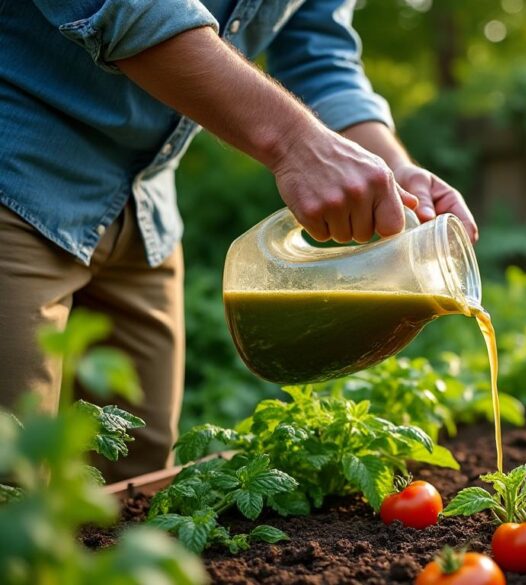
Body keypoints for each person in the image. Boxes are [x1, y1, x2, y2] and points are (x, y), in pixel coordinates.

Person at [0, 1, 478, 482]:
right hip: (18, 174)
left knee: (136, 477)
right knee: (13, 476)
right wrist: (295, 141)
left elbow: (320, 56)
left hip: (144, 206)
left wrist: (391, 168)